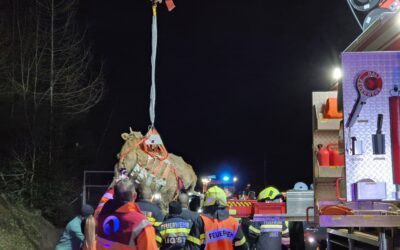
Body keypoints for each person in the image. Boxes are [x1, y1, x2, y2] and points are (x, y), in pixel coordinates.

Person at [96, 178, 158, 250]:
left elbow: (104, 200)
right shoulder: (141, 224)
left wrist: (111, 187)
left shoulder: (101, 215)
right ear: (134, 196)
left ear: (113, 196)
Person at [185, 186, 249, 250]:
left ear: (206, 200)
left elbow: (192, 247)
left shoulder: (201, 220)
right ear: (224, 200)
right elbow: (243, 247)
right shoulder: (233, 222)